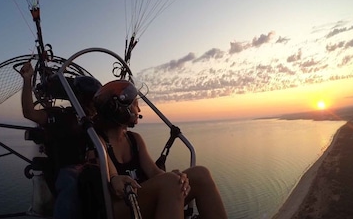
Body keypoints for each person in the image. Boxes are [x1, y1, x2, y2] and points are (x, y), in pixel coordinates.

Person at [93, 79, 228, 219]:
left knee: (200, 174)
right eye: (135, 104)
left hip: (141, 199)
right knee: (170, 183)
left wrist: (177, 178)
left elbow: (154, 172)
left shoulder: (134, 140)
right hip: (120, 207)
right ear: (119, 108)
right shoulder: (99, 142)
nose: (138, 110)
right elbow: (114, 180)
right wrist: (168, 181)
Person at [20, 61, 102, 219]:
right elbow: (30, 112)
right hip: (68, 169)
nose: (93, 106)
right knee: (70, 182)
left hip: (93, 169)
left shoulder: (97, 122)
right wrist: (27, 80)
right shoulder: (60, 117)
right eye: (90, 101)